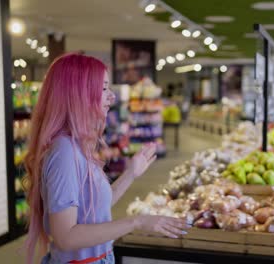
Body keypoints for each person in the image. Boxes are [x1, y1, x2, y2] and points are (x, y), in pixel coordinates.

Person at [23, 53, 188, 264]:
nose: (112, 96)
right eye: (103, 89)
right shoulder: (64, 152)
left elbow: (96, 207)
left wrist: (131, 173)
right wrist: (135, 222)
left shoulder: (77, 145)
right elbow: (66, 236)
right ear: (78, 94)